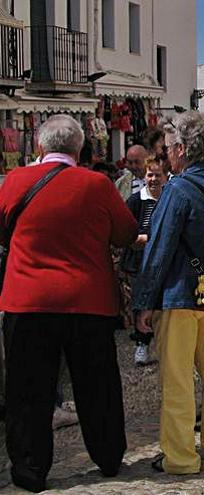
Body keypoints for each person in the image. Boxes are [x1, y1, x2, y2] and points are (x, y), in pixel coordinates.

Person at [0, 115, 136, 492]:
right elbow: (124, 234)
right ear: (81, 150)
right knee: (97, 385)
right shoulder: (97, 185)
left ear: (40, 148)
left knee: (28, 390)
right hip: (87, 301)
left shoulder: (15, 182)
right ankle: (108, 456)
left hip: (28, 300)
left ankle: (29, 468)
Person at [133, 111, 204, 475]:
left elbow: (160, 247)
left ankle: (180, 457)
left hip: (181, 295)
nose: (166, 155)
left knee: (178, 378)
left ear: (181, 149)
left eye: (168, 149)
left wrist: (143, 302)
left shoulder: (177, 190)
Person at [123, 156, 169, 366]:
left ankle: (163, 345)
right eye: (150, 175)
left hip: (164, 263)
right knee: (141, 304)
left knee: (163, 306)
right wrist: (143, 239)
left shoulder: (170, 199)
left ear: (165, 177)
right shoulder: (135, 201)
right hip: (140, 263)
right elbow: (126, 232)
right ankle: (141, 345)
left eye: (157, 175)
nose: (153, 179)